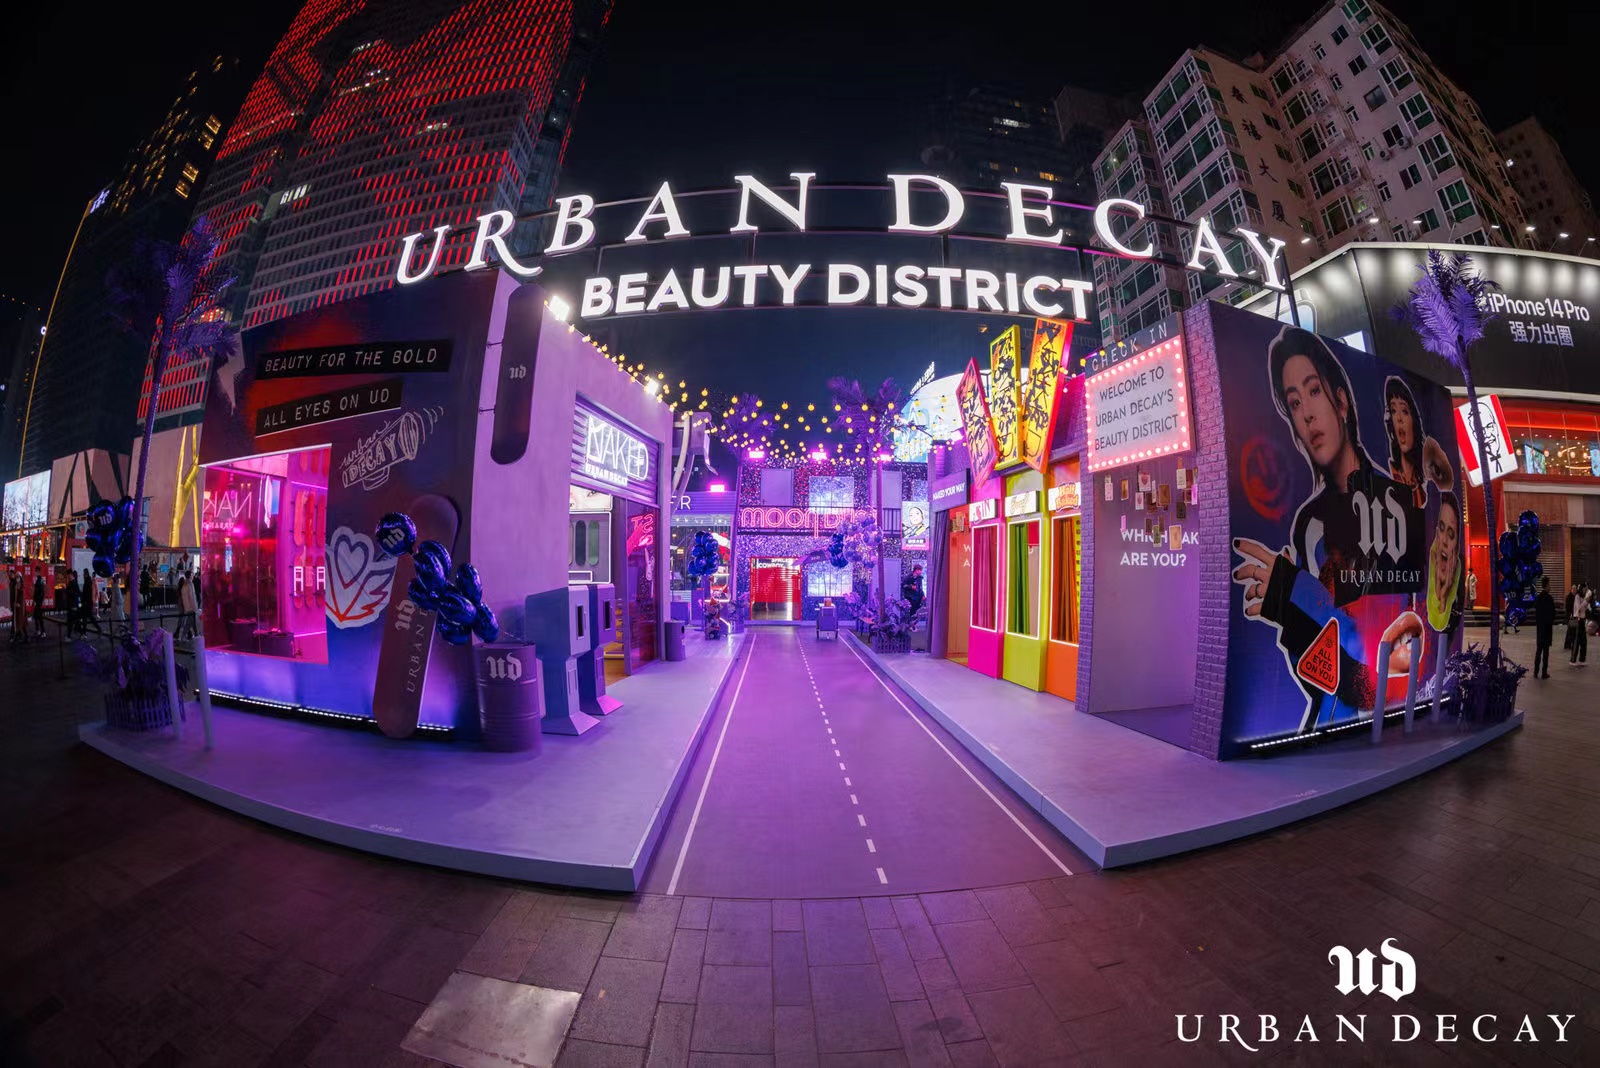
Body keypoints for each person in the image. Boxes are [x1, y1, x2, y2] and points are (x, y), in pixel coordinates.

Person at [1534, 578, 1557, 679]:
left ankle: (1535, 671)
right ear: (1547, 585)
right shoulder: (1549, 598)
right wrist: (1550, 621)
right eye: (1549, 584)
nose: (1550, 586)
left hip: (1540, 629)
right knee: (1546, 652)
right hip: (1547, 629)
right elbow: (1553, 613)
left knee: (1538, 651)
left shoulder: (1538, 598)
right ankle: (1544, 672)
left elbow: (1536, 611)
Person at [1573, 585, 1591, 666]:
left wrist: (1588, 602)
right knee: (1576, 641)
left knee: (1584, 641)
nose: (1584, 592)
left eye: (1585, 590)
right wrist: (1585, 601)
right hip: (1577, 620)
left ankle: (1582, 660)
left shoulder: (1584, 598)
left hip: (1582, 620)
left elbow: (1588, 608)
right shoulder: (1577, 597)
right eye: (1583, 590)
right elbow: (1579, 608)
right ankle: (1573, 660)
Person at [176, 574, 198, 640]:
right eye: (191, 575)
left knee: (190, 622)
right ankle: (184, 636)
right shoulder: (189, 584)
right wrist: (195, 607)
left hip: (186, 608)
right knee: (190, 622)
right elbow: (192, 597)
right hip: (190, 607)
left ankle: (185, 636)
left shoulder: (183, 587)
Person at [63, 571, 81, 637]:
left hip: (73, 605)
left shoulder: (74, 583)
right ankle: (80, 633)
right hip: (71, 604)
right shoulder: (70, 582)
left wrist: (66, 589)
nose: (68, 577)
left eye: (68, 575)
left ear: (71, 575)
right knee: (73, 620)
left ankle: (69, 636)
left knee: (71, 620)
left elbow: (77, 594)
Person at [32, 573, 47, 638]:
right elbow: (36, 593)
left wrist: (37, 601)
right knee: (36, 616)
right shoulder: (38, 581)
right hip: (37, 602)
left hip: (39, 603)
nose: (35, 573)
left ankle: (43, 632)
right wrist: (34, 600)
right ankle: (38, 630)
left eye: (36, 572)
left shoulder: (40, 582)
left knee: (40, 618)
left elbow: (41, 594)